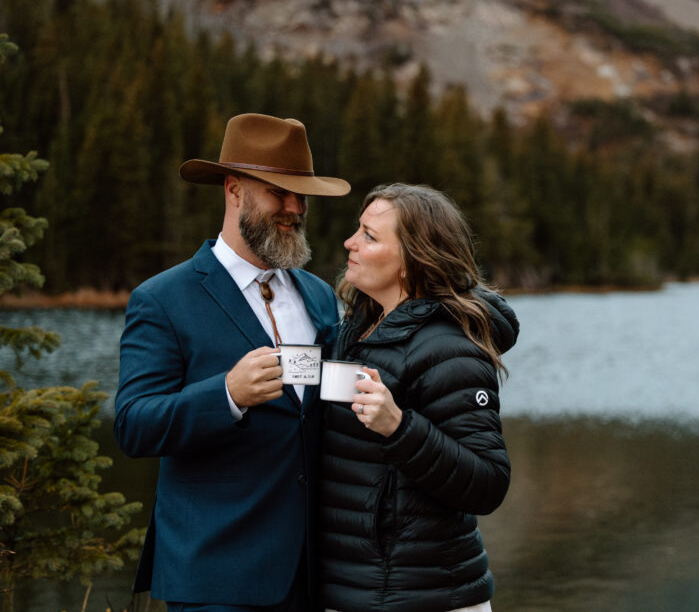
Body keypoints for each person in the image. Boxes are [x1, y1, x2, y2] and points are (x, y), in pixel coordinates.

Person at [114, 113, 350, 611]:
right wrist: (227, 396)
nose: (293, 209)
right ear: (234, 190)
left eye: (300, 194)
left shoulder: (320, 296)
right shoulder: (162, 299)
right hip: (213, 576)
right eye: (278, 193)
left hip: (312, 576)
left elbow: (320, 408)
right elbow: (134, 426)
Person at [319, 183, 519, 612]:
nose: (349, 242)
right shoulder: (356, 330)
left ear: (410, 262)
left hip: (426, 599)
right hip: (354, 590)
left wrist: (400, 427)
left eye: (370, 237)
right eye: (358, 230)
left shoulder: (450, 349)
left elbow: (488, 482)